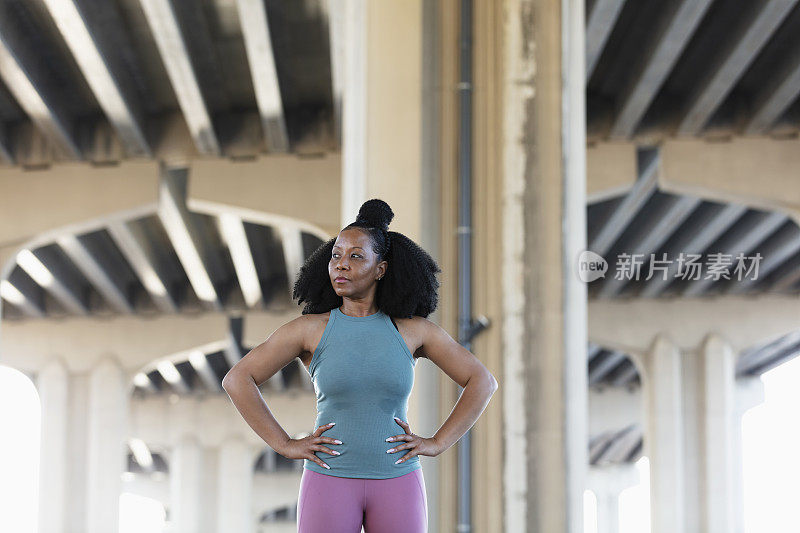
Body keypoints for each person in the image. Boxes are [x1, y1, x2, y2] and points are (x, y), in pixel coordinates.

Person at [223, 198, 499, 533]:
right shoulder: (309, 329)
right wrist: (284, 443)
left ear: (380, 269)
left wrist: (438, 442)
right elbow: (238, 379)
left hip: (399, 479)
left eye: (356, 256)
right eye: (336, 255)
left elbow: (481, 381)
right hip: (329, 480)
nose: (341, 264)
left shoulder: (413, 331)